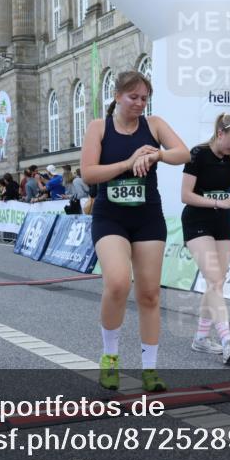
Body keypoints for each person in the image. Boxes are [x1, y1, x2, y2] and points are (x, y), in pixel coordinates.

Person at [81, 70, 189, 393]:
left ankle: (150, 369)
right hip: (110, 217)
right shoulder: (99, 127)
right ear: (117, 96)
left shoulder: (153, 125)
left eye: (144, 98)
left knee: (149, 293)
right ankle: (110, 357)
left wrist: (158, 154)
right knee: (116, 282)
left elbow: (184, 153)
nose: (140, 103)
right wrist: (128, 164)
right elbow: (88, 173)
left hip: (147, 217)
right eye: (134, 97)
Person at [181, 113, 230, 364]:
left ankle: (201, 338)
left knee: (217, 283)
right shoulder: (198, 154)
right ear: (220, 133)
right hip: (196, 220)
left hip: (221, 221)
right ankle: (227, 342)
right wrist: (218, 202)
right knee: (214, 279)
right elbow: (185, 195)